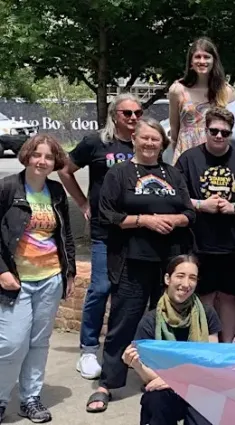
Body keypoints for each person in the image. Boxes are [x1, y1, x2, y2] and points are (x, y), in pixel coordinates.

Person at [87, 117, 195, 413]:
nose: (149, 143)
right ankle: (108, 383)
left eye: (155, 139)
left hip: (169, 263)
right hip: (132, 261)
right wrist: (144, 220)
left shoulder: (172, 173)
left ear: (163, 143)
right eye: (144, 138)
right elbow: (107, 215)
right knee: (123, 321)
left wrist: (172, 220)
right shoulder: (119, 173)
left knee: (168, 321)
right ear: (134, 140)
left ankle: (165, 378)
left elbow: (189, 213)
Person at [58, 93, 141, 380]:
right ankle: (89, 350)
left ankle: (119, 348)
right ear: (114, 114)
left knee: (127, 292)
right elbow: (65, 170)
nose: (133, 118)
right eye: (127, 113)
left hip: (136, 230)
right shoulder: (96, 142)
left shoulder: (143, 142)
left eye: (138, 113)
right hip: (105, 230)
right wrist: (82, 203)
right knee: (100, 288)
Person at [0, 135, 76, 424]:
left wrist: (69, 272)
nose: (42, 161)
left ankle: (30, 398)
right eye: (37, 155)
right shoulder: (8, 187)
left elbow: (65, 234)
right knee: (12, 343)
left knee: (39, 342)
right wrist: (2, 271)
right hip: (16, 280)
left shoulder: (55, 191)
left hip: (50, 278)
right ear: (27, 156)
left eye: (49, 157)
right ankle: (1, 398)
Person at [175, 107, 235, 343]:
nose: (219, 136)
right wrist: (201, 205)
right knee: (203, 297)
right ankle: (208, 345)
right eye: (214, 131)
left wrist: (234, 207)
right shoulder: (188, 159)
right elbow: (176, 197)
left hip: (234, 243)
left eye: (225, 132)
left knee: (230, 298)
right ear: (205, 130)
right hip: (199, 242)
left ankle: (227, 347)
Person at [121, 255, 220, 425]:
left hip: (199, 386)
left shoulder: (207, 313)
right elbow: (149, 378)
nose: (186, 284)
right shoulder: (150, 320)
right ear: (167, 279)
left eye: (192, 278)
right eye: (180, 276)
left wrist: (175, 381)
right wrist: (137, 365)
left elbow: (211, 363)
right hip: (165, 389)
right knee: (155, 399)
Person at [168, 37, 235, 164]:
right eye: (197, 57)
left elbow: (231, 128)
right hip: (186, 152)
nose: (202, 61)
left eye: (206, 57)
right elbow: (174, 131)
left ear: (214, 61)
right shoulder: (177, 90)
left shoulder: (226, 91)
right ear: (191, 62)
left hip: (216, 153)